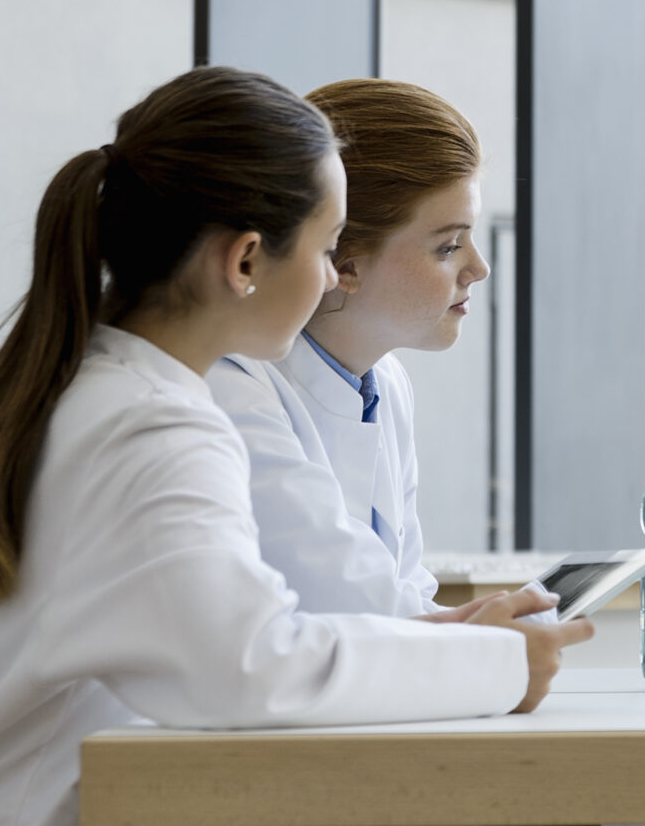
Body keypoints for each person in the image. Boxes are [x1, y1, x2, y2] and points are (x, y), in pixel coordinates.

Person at [0, 68, 588, 826]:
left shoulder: (101, 389)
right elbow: (252, 668)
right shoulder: (152, 426)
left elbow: (255, 645)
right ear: (244, 262)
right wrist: (495, 662)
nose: (335, 276)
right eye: (329, 247)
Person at [207, 78, 487, 614]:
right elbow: (336, 597)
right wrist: (482, 639)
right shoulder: (231, 385)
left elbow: (401, 587)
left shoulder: (386, 383)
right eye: (449, 246)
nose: (479, 269)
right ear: (344, 264)